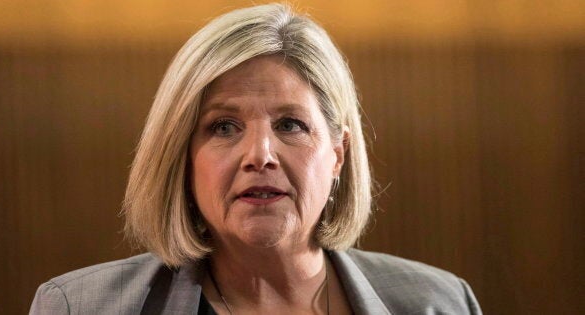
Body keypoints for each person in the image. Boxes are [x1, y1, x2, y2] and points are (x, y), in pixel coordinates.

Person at [30, 3, 482, 315]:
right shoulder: (80, 306)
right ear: (181, 159)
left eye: (290, 125)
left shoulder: (439, 302)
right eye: (223, 127)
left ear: (338, 154)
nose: (260, 155)